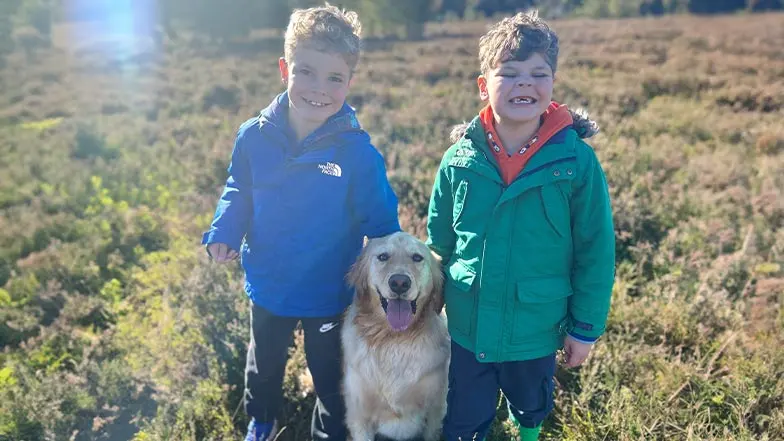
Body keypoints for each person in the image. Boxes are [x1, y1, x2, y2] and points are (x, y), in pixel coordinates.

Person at [200, 4, 400, 441]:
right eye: (305, 72)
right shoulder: (253, 135)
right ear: (283, 68)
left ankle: (329, 432)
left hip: (328, 292)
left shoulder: (357, 154)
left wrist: (385, 284)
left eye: (334, 78)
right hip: (268, 282)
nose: (318, 89)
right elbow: (239, 187)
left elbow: (383, 224)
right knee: (265, 360)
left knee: (331, 373)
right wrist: (224, 230)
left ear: (350, 81)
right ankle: (263, 418)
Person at [425, 10, 616, 441]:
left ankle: (526, 431)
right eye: (509, 73)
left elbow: (595, 251)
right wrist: (427, 306)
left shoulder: (575, 163)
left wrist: (584, 328)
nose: (524, 83)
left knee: (531, 404)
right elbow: (439, 241)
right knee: (463, 415)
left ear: (552, 84)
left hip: (535, 325)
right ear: (483, 84)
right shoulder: (459, 159)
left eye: (538, 73)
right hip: (467, 326)